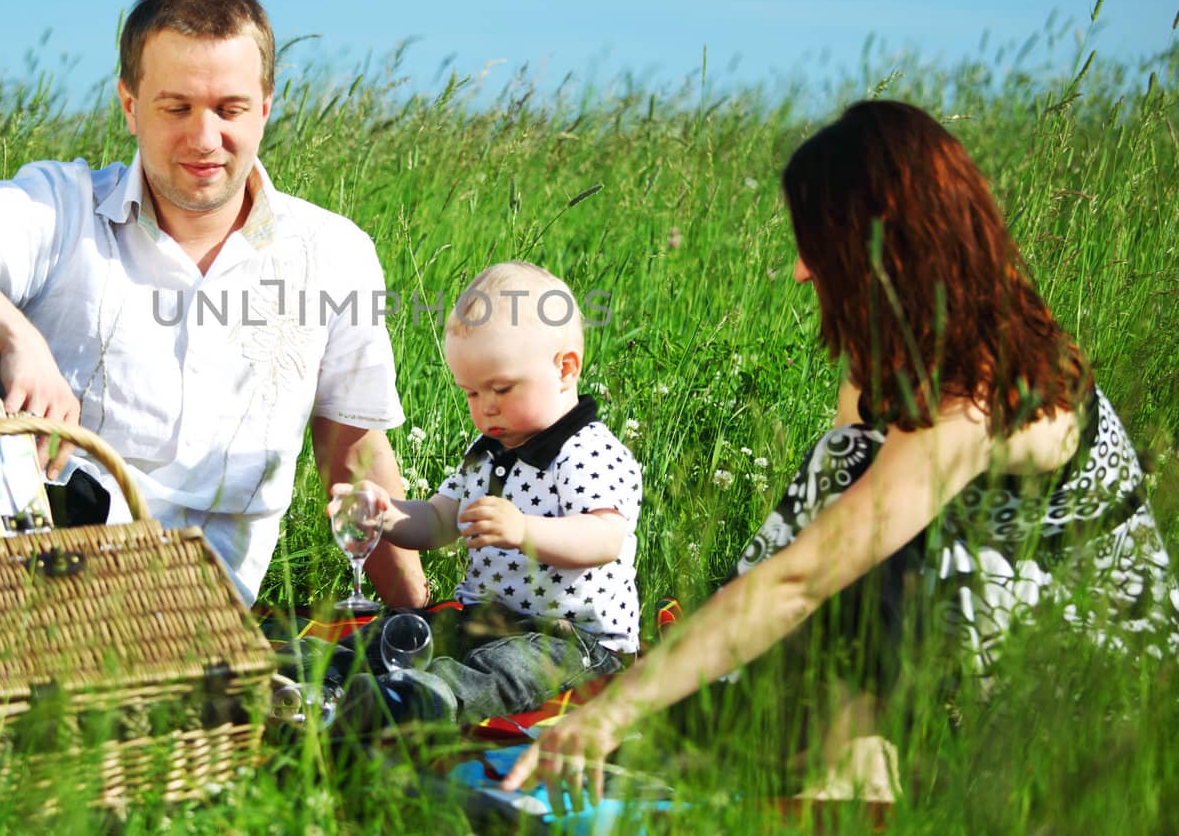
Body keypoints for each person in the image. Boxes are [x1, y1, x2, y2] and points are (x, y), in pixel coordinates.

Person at [503, 99, 1178, 799]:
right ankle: (835, 742)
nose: (800, 271)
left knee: (856, 500)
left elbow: (806, 578)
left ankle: (855, 772)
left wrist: (615, 711)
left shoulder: (978, 396)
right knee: (849, 466)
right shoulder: (897, 360)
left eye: (817, 246)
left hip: (1084, 669)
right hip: (957, 610)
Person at [0, 0, 426, 608]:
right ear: (129, 105)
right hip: (31, 579)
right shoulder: (63, 208)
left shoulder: (334, 254)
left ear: (266, 107)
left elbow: (354, 455)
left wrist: (419, 621)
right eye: (176, 106)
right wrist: (16, 337)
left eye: (230, 108)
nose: (205, 138)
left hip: (198, 615)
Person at [321, 261, 641, 726]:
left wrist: (524, 530)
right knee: (405, 634)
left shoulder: (588, 451)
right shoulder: (486, 451)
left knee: (501, 672)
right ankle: (316, 672)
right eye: (470, 393)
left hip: (573, 638)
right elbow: (437, 521)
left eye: (501, 388)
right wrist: (387, 516)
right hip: (482, 616)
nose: (485, 407)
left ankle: (414, 703)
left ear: (565, 369)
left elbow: (604, 539)